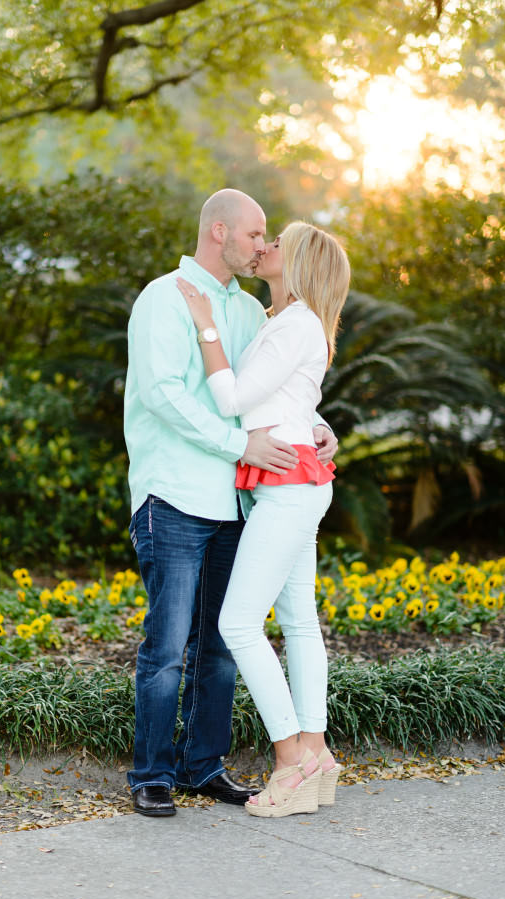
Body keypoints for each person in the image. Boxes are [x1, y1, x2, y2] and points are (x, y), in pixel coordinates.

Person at [122, 189, 337, 817]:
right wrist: (237, 442)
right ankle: (153, 773)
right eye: (255, 234)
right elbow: (164, 395)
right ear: (219, 232)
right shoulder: (163, 298)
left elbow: (270, 386)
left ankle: (202, 764)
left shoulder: (249, 310)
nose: (263, 245)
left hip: (239, 500)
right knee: (166, 647)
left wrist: (319, 426)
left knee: (219, 644)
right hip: (177, 492)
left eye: (269, 238)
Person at [175, 221, 349, 817]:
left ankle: (292, 758)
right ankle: (318, 752)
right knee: (300, 622)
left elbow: (232, 401)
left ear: (296, 263)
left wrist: (204, 324)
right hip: (297, 482)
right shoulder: (292, 324)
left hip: (288, 489)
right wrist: (323, 430)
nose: (267, 246)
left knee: (239, 624)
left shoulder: (293, 325)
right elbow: (298, 400)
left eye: (279, 243)